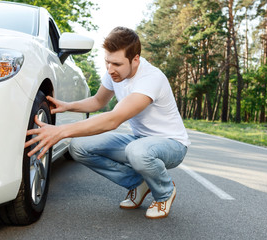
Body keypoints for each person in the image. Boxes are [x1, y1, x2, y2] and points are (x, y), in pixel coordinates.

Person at [25, 26, 190, 219]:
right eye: (107, 62)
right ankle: (138, 183)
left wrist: (60, 131)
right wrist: (68, 106)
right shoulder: (115, 74)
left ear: (135, 59)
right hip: (139, 140)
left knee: (137, 152)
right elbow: (98, 101)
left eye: (117, 64)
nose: (110, 69)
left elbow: (113, 120)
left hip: (172, 144)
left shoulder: (150, 79)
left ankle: (164, 192)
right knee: (78, 147)